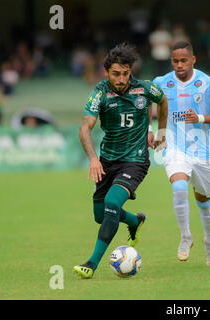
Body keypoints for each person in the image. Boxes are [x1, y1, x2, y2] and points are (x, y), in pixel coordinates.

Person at [73, 43, 168, 279]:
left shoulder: (145, 88)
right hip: (106, 160)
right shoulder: (100, 93)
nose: (121, 78)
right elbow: (85, 127)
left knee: (113, 204)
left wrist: (161, 132)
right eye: (116, 73)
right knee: (100, 215)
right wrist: (94, 159)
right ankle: (135, 221)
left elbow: (163, 101)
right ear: (107, 72)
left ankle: (91, 264)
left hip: (135, 161)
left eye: (126, 73)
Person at [152, 41, 210, 266]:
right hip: (175, 148)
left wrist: (201, 118)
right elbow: (144, 104)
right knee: (179, 187)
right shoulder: (161, 83)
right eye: (175, 61)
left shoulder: (207, 83)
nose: (179, 65)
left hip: (202, 152)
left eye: (183, 60)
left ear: (193, 59)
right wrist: (153, 130)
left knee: (203, 201)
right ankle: (185, 236)